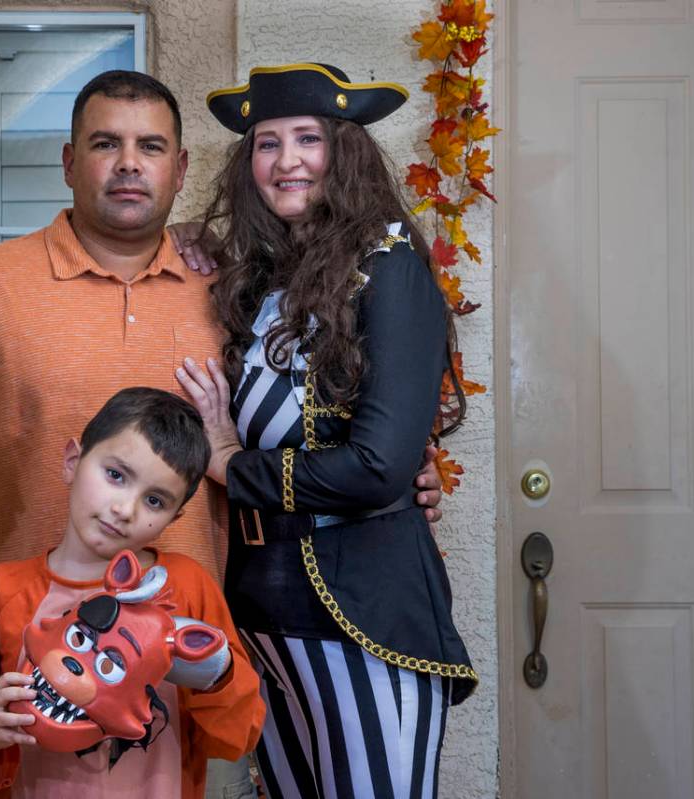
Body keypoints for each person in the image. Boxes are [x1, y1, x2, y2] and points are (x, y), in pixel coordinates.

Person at [0, 69, 445, 798]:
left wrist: (399, 472)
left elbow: (321, 404)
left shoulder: (238, 287)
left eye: (151, 146)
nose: (129, 163)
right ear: (70, 162)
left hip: (184, 653)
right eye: (106, 143)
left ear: (181, 168)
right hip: (27, 651)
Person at [176, 64, 478, 799]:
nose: (286, 161)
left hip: (362, 606)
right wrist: (175, 237)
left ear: (343, 151)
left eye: (307, 138)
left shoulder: (391, 266)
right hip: (258, 606)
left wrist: (227, 464)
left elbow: (378, 466)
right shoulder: (250, 277)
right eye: (266, 144)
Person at [0, 387, 265, 798]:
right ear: (73, 462)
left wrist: (217, 676)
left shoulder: (186, 588)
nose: (125, 508)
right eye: (115, 475)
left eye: (154, 500)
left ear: (175, 517)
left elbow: (238, 736)